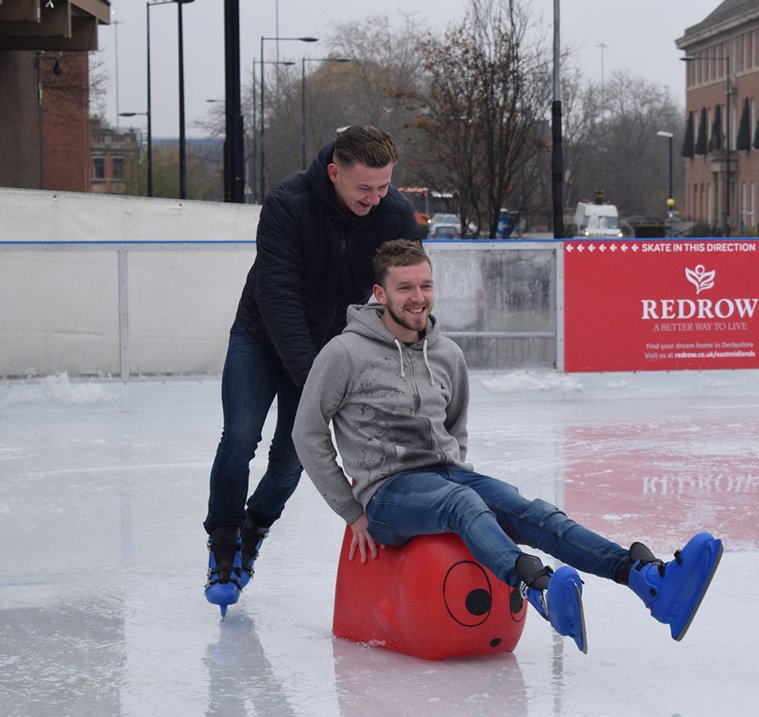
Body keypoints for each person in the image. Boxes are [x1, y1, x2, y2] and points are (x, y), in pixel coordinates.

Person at [291, 239, 723, 652]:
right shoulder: (344, 354)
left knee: (534, 513)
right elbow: (307, 432)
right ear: (380, 293)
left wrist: (450, 472)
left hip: (447, 475)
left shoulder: (445, 353)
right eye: (404, 287)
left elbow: (455, 425)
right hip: (386, 494)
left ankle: (647, 581)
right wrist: (351, 510)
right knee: (460, 503)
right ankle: (535, 587)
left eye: (425, 285)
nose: (417, 297)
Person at [204, 125, 422, 616]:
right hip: (260, 336)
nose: (374, 198)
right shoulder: (288, 203)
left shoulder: (395, 214)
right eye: (363, 188)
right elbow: (277, 297)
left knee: (291, 458)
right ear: (334, 172)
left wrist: (408, 354)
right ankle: (222, 547)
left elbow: (407, 290)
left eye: (383, 186)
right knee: (240, 437)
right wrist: (315, 380)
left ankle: (253, 529)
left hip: (330, 346)